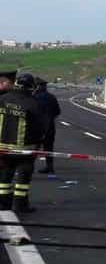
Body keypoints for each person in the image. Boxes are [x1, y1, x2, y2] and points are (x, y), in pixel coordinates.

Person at [0, 73, 45, 212]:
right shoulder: (33, 103)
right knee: (23, 180)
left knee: (4, 177)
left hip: (2, 149)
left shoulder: (2, 99)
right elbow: (40, 127)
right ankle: (20, 205)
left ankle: (3, 204)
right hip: (24, 149)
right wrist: (39, 143)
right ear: (32, 87)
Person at [34, 77, 61, 173]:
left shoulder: (33, 97)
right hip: (49, 126)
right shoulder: (52, 97)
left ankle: (27, 166)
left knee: (33, 148)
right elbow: (57, 111)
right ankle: (50, 167)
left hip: (35, 127)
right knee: (48, 148)